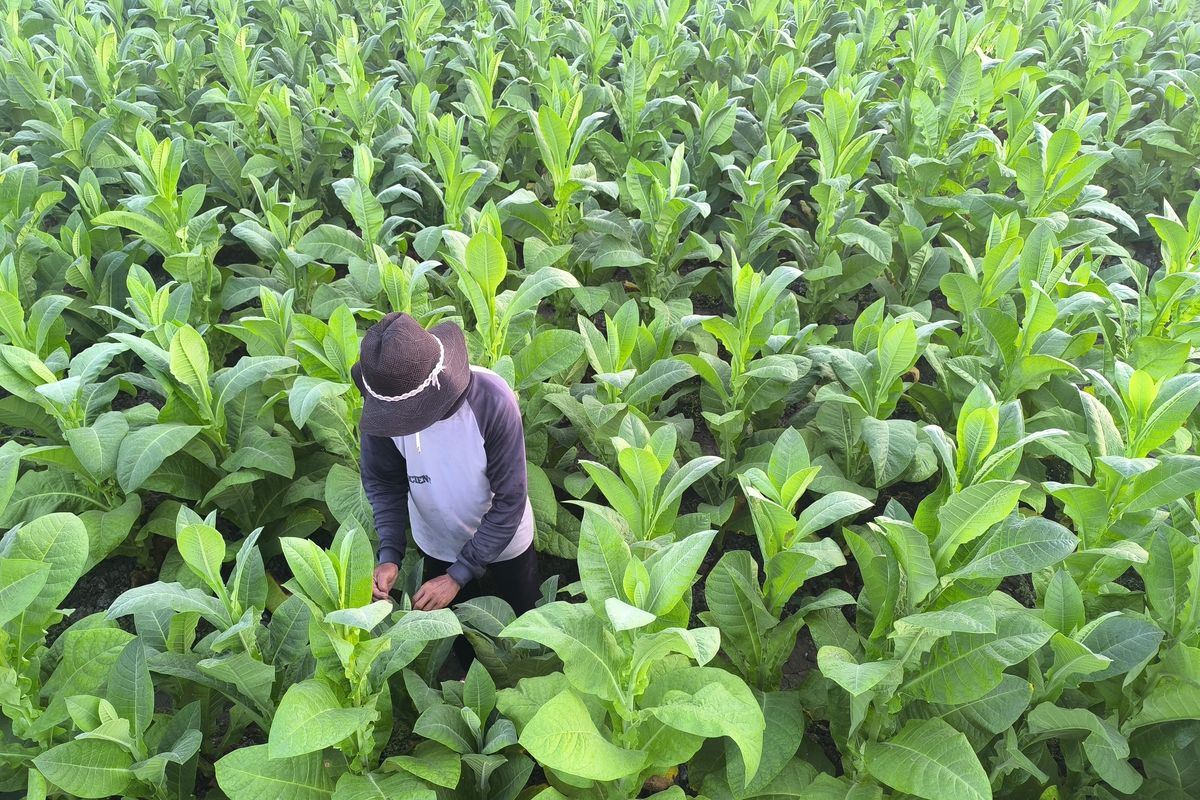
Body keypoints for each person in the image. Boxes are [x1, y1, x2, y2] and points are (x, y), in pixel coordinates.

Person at [353, 312, 541, 618]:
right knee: (458, 633)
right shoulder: (386, 404)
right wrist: (389, 554)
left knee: (524, 620)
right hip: (437, 542)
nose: (398, 421)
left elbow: (510, 500)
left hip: (506, 540)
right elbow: (384, 483)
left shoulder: (492, 401)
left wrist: (459, 574)